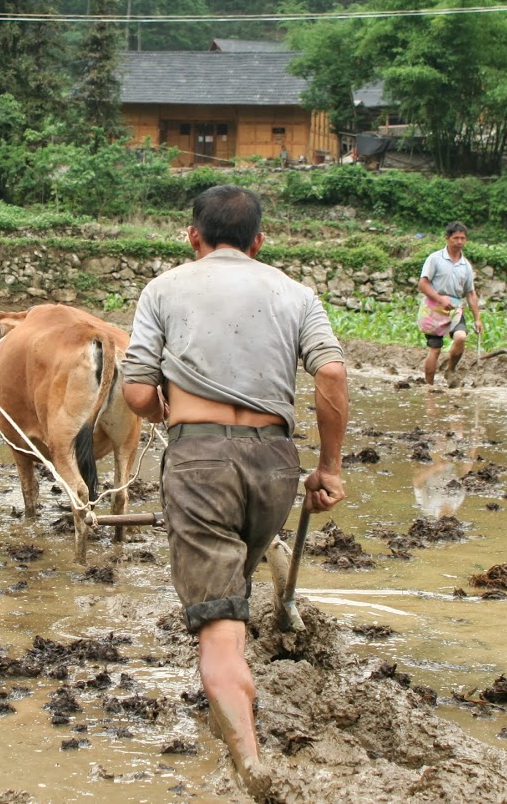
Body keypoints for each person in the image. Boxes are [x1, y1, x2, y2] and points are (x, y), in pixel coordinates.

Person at [122, 185, 349, 797]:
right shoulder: (295, 292)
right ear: (258, 242)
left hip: (201, 463)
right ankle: (238, 700)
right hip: (275, 466)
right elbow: (330, 371)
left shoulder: (164, 288)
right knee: (237, 586)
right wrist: (328, 469)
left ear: (193, 237)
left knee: (220, 633)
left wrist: (174, 407)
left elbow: (136, 393)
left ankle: (252, 765)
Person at [419, 221, 482, 387]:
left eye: (463, 238)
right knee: (435, 349)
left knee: (461, 337)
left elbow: (470, 292)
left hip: (455, 308)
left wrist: (477, 318)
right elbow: (423, 284)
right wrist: (440, 299)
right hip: (434, 307)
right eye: (456, 238)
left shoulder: (466, 265)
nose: (459, 242)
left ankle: (450, 368)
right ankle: (429, 386)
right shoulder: (435, 259)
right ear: (447, 238)